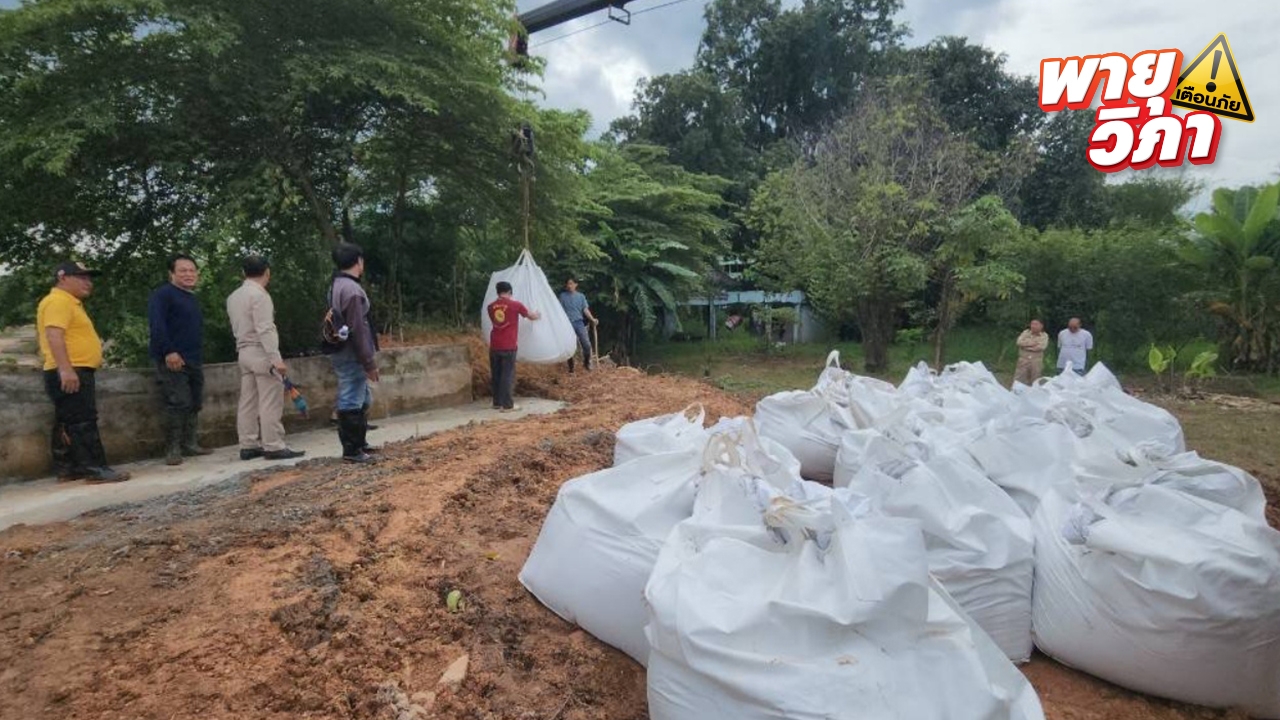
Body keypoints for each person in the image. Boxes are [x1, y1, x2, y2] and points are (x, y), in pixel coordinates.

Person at [36, 261, 130, 483]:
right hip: (70, 369)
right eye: (81, 277)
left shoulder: (69, 303)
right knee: (83, 421)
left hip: (73, 368)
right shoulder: (58, 301)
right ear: (63, 278)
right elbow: (54, 336)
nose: (88, 282)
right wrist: (66, 369)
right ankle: (95, 469)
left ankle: (69, 468)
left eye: (89, 278)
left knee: (69, 421)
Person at [226, 256, 304, 461]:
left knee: (248, 401)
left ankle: (248, 444)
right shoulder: (260, 296)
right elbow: (265, 329)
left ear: (244, 273)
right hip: (261, 352)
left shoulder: (234, 296)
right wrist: (275, 358)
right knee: (270, 400)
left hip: (243, 351)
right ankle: (273, 445)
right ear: (267, 272)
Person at [148, 253, 212, 465]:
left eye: (192, 270)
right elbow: (157, 326)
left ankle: (190, 444)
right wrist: (169, 351)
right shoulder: (163, 295)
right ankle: (173, 448)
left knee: (194, 402)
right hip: (173, 359)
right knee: (178, 402)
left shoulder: (191, 297)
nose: (188, 274)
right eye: (183, 270)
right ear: (171, 274)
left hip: (193, 358)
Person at [327, 243, 380, 464]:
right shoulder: (352, 291)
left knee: (362, 396)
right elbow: (358, 328)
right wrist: (369, 362)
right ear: (358, 261)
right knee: (351, 396)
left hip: (342, 349)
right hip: (352, 352)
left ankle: (360, 443)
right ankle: (352, 449)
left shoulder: (336, 285)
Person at [487, 281, 540, 412]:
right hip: (508, 345)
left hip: (494, 345)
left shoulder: (490, 307)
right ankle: (507, 405)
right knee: (507, 375)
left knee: (497, 374)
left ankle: (497, 402)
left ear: (497, 292)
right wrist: (538, 315)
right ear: (510, 291)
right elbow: (531, 316)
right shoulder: (515, 305)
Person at [558, 277, 597, 372]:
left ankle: (586, 363)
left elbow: (585, 309)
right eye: (568, 284)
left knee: (586, 344)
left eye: (571, 283)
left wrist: (592, 319)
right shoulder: (563, 296)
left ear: (576, 285)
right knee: (569, 346)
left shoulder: (581, 296)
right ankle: (571, 367)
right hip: (567, 324)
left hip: (579, 322)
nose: (569, 286)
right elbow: (558, 310)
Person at [1013, 319, 1049, 387]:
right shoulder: (1025, 332)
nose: (1033, 326)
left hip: (1036, 361)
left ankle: (1033, 394)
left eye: (1036, 324)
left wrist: (1025, 346)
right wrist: (1032, 344)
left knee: (1035, 379)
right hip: (1023, 360)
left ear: (1041, 326)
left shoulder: (1044, 335)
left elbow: (1041, 347)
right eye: (1032, 324)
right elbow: (1019, 342)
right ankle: (1016, 394)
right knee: (1019, 378)